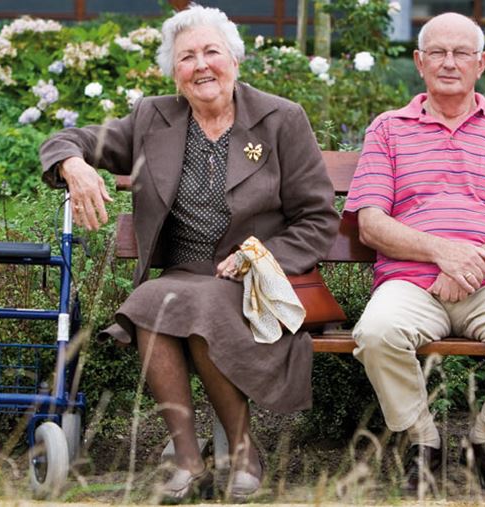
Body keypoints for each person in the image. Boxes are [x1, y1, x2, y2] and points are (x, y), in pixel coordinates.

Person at [39, 6, 338, 502]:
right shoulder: (154, 118)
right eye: (186, 57)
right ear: (174, 72)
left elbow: (318, 218)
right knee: (156, 300)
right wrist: (74, 163)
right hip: (184, 275)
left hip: (255, 281)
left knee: (187, 303)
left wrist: (259, 256)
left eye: (211, 52)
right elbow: (67, 140)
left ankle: (243, 451)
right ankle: (187, 458)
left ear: (235, 60)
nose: (201, 66)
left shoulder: (280, 118)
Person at [343, 12, 485, 496]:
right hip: (410, 283)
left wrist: (478, 261)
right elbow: (371, 223)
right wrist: (442, 253)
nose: (449, 62)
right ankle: (421, 441)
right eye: (438, 53)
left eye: (461, 52)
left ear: (480, 62)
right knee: (377, 333)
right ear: (420, 62)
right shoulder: (388, 129)